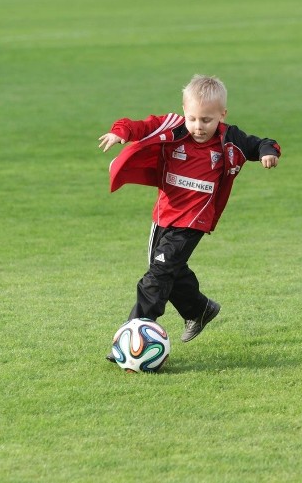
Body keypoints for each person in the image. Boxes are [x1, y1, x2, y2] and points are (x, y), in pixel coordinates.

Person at [98, 74, 280, 361]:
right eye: (193, 118)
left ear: (222, 115)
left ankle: (135, 333)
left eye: (207, 120)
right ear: (184, 112)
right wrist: (121, 132)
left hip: (195, 220)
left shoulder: (230, 137)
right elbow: (141, 125)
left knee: (156, 275)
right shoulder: (173, 127)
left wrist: (269, 153)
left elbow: (262, 143)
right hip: (164, 213)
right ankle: (199, 309)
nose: (198, 126)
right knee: (167, 269)